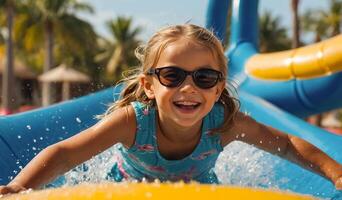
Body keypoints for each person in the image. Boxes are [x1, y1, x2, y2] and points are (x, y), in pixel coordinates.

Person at [0, 24, 341, 195]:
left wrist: (336, 174)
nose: (188, 88)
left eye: (204, 77)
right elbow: (64, 155)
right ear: (149, 85)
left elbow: (285, 144)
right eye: (172, 76)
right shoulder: (134, 121)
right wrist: (19, 189)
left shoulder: (223, 124)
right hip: (127, 191)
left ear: (219, 86)